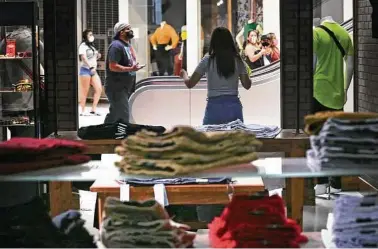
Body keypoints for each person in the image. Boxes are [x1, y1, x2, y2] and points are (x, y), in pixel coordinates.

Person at [312, 16, 354, 195]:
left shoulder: (317, 33)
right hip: (337, 93)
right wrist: (345, 89)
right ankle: (336, 184)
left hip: (319, 90)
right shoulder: (345, 35)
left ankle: (321, 183)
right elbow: (350, 65)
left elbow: (310, 61)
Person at [180, 27, 252, 125]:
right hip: (233, 108)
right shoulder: (237, 60)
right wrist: (247, 73)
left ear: (213, 42)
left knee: (210, 139)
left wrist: (184, 74)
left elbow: (190, 84)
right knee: (234, 139)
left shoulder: (207, 60)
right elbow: (247, 85)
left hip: (214, 108)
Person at [104, 22, 143, 124]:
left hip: (125, 86)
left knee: (114, 114)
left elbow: (130, 62)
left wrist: (134, 67)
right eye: (128, 29)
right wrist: (131, 69)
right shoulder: (116, 46)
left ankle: (102, 134)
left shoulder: (127, 45)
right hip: (116, 87)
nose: (131, 31)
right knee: (123, 115)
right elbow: (112, 66)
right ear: (121, 32)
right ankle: (122, 138)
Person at [78, 29, 102, 116]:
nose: (92, 36)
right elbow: (84, 58)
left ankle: (93, 109)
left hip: (93, 70)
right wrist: (90, 66)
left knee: (99, 89)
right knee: (84, 91)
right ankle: (82, 110)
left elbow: (93, 58)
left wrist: (98, 56)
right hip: (85, 70)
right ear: (85, 37)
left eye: (92, 34)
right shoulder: (83, 46)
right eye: (90, 35)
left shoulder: (92, 46)